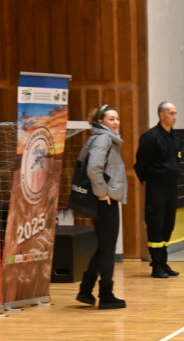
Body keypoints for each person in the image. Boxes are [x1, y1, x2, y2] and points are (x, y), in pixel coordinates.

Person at [75, 104, 128, 310]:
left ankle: (85, 290)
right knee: (108, 249)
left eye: (117, 118)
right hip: (105, 200)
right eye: (111, 119)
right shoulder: (104, 138)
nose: (116, 122)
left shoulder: (99, 137)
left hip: (105, 198)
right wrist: (102, 193)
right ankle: (106, 295)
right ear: (100, 121)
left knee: (103, 246)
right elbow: (93, 168)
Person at [134, 101, 182, 279]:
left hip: (172, 186)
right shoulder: (150, 137)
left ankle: (163, 261)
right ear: (161, 115)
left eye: (175, 113)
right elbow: (141, 163)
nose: (174, 117)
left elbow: (177, 159)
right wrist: (148, 180)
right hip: (156, 187)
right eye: (171, 113)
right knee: (156, 224)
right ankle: (156, 265)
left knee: (168, 224)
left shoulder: (175, 137)